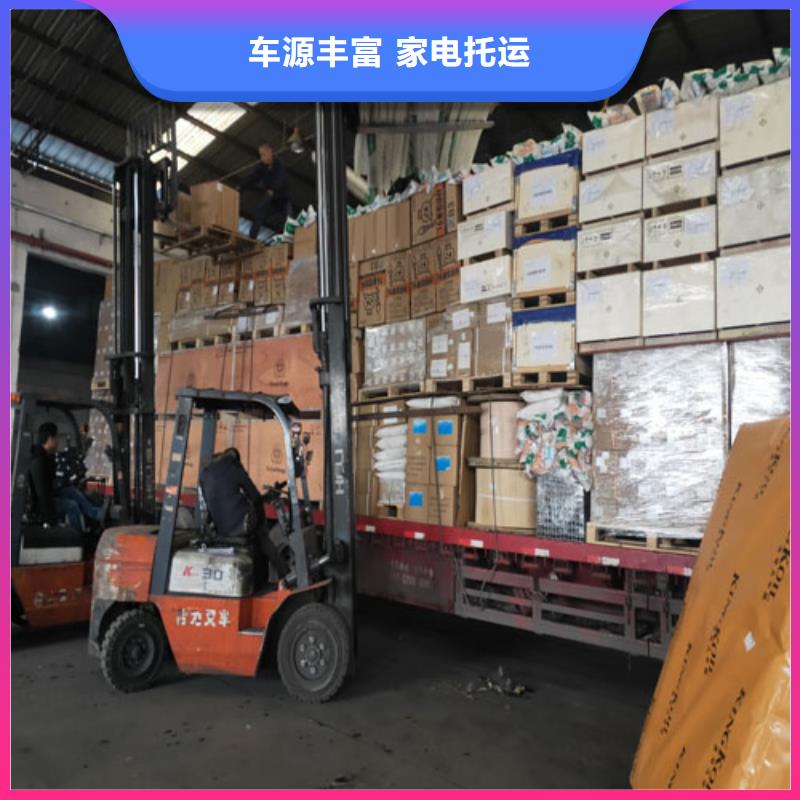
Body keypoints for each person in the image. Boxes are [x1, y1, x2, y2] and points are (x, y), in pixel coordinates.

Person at [199, 448, 289, 586]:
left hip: (220, 529)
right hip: (239, 527)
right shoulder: (233, 466)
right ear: (235, 458)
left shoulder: (204, 473)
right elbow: (254, 495)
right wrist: (266, 497)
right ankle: (285, 575)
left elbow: (207, 505)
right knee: (262, 535)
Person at [28, 422, 108, 531]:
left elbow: (52, 482)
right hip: (41, 503)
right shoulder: (38, 461)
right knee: (71, 505)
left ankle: (97, 514)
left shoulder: (48, 456)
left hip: (50, 493)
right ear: (50, 439)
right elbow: (42, 494)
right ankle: (77, 535)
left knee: (72, 491)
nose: (58, 441)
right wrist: (50, 519)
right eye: (56, 438)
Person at [241, 143, 291, 240]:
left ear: (270, 152)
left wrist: (273, 189)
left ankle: (289, 239)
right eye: (260, 155)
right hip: (272, 200)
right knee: (259, 212)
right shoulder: (262, 167)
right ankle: (251, 240)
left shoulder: (279, 164)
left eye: (263, 155)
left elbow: (281, 179)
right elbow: (253, 177)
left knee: (289, 219)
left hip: (284, 199)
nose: (262, 158)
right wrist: (241, 187)